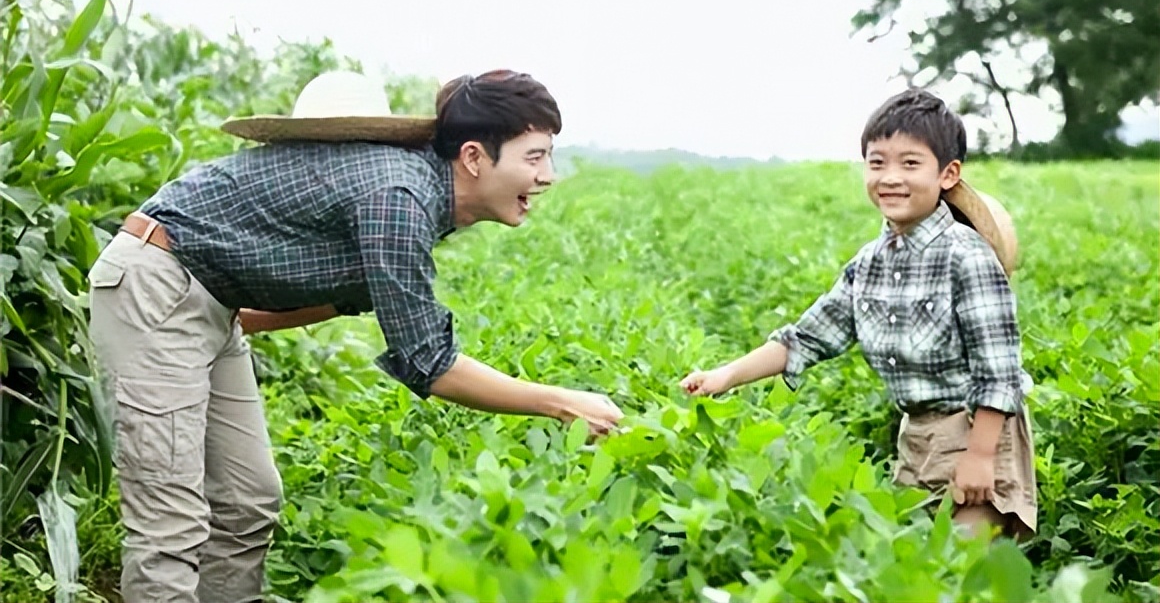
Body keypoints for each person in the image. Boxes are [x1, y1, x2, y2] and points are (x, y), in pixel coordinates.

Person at [86, 69, 625, 603]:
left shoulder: (417, 202)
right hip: (158, 279)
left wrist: (224, 325)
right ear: (474, 158)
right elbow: (429, 362)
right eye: (534, 156)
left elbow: (329, 294)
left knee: (248, 501)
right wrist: (559, 402)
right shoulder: (399, 197)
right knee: (170, 523)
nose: (548, 175)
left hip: (207, 301)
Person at [679, 88, 1037, 540]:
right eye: (877, 162)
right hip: (917, 436)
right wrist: (723, 377)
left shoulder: (967, 257)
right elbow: (805, 338)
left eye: (910, 163)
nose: (890, 177)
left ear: (948, 174)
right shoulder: (870, 262)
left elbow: (999, 371)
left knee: (962, 571)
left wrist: (980, 457)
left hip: (979, 432)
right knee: (913, 572)